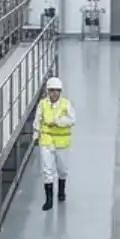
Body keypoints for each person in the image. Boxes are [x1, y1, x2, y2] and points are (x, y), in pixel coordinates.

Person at [33, 77, 75, 210]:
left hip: (62, 142)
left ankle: (61, 191)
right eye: (52, 90)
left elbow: (72, 119)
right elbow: (37, 121)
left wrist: (58, 121)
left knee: (62, 170)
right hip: (46, 140)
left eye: (57, 91)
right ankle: (49, 200)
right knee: (47, 170)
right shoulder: (42, 104)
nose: (54, 93)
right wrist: (36, 135)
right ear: (47, 91)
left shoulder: (66, 104)